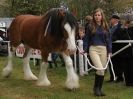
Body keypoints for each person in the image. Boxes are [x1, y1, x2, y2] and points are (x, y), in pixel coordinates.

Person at [84, 8, 112, 96]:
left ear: (101, 16)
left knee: (102, 71)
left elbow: (109, 40)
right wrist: (85, 50)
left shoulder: (106, 26)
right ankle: (96, 89)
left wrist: (109, 51)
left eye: (99, 15)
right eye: (95, 15)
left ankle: (99, 89)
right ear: (93, 16)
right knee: (99, 69)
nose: (97, 17)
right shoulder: (90, 26)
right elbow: (86, 39)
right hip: (93, 49)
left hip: (104, 49)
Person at [108, 15, 124, 82]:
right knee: (111, 63)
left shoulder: (120, 27)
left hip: (117, 48)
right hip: (110, 47)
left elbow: (117, 37)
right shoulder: (110, 27)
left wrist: (109, 39)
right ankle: (112, 77)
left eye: (111, 19)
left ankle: (119, 77)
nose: (110, 20)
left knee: (117, 63)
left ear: (116, 20)